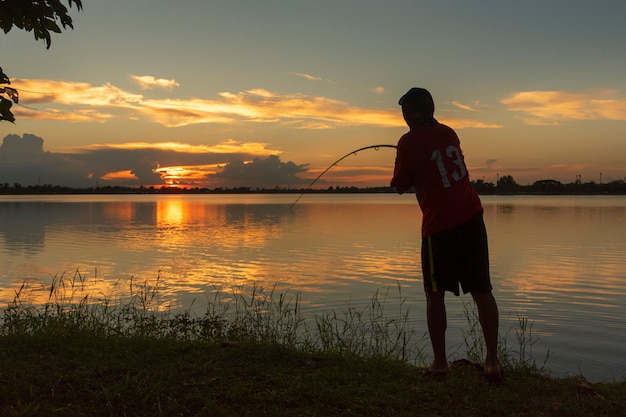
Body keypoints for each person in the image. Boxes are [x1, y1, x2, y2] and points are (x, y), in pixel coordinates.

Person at [390, 87, 502, 383]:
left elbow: (400, 185)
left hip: (439, 227)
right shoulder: (449, 133)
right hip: (472, 218)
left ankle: (440, 363)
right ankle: (493, 362)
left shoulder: (408, 141)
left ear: (409, 113)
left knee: (434, 294)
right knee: (482, 291)